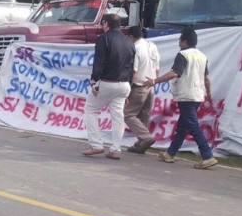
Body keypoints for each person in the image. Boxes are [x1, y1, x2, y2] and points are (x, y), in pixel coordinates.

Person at [143, 27, 217, 169]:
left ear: (185, 42)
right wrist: (208, 93)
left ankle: (208, 155)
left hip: (186, 96)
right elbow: (206, 78)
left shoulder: (183, 55)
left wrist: (154, 81)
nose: (178, 42)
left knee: (193, 126)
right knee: (183, 127)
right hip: (197, 95)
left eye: (180, 40)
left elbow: (174, 73)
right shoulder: (202, 56)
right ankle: (170, 153)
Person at [82, 13, 135, 160]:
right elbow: (131, 67)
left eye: (102, 23)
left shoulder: (103, 39)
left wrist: (94, 81)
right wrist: (128, 89)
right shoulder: (129, 41)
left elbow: (99, 62)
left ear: (106, 24)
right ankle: (116, 149)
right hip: (124, 84)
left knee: (91, 110)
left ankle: (96, 144)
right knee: (118, 117)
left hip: (106, 83)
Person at [124, 25, 160, 154]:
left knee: (128, 114)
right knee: (144, 115)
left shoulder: (136, 48)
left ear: (131, 37)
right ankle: (141, 143)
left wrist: (127, 89)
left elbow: (134, 72)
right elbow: (157, 69)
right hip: (150, 84)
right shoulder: (152, 46)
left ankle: (145, 138)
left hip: (138, 85)